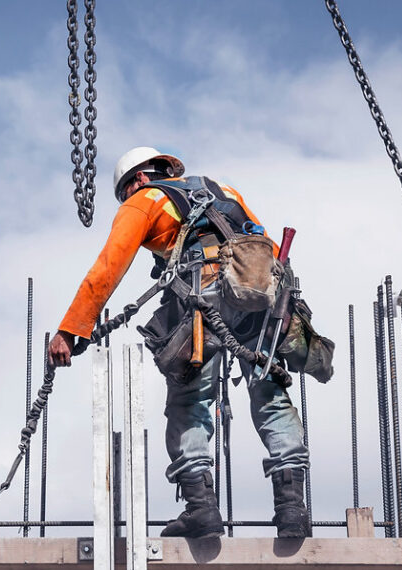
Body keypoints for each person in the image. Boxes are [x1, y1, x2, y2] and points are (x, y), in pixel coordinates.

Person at [48, 146, 311, 539]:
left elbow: (109, 265)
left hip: (201, 296)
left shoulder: (146, 199)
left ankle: (201, 509)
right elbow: (267, 250)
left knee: (190, 401)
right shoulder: (223, 190)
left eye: (125, 192)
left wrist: (72, 329)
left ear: (137, 179)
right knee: (271, 396)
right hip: (261, 295)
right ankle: (293, 510)